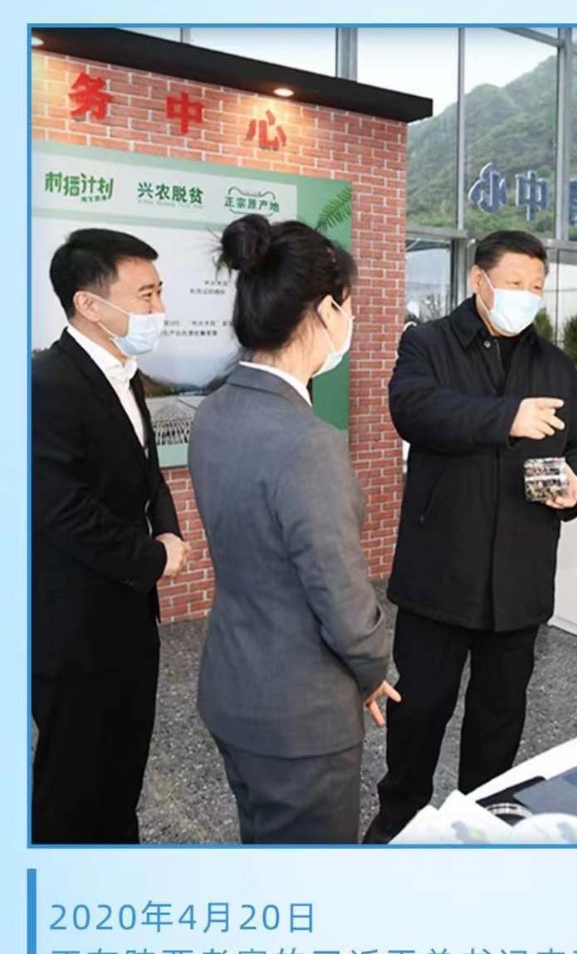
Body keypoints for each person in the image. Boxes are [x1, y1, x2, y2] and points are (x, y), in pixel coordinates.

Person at [364, 228, 577, 843]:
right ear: (479, 280)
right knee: (420, 711)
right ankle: (398, 819)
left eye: (537, 286)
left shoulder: (553, 363)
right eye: (515, 283)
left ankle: (481, 823)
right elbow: (413, 410)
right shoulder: (427, 343)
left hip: (520, 577)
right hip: (441, 573)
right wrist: (508, 417)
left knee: (500, 718)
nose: (527, 295)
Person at [188, 215, 395, 845]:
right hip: (299, 718)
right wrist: (374, 668)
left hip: (232, 687)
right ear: (327, 311)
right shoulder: (308, 443)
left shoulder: (214, 409)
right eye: (349, 306)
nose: (351, 321)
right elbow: (341, 595)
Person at [32, 228, 187, 843]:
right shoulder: (46, 384)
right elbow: (61, 510)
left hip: (128, 618)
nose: (159, 309)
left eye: (159, 291)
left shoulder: (126, 373)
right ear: (88, 304)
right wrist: (152, 557)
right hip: (74, 627)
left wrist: (169, 532)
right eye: (146, 295)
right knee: (72, 784)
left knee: (121, 769)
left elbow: (150, 474)